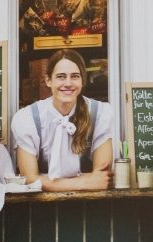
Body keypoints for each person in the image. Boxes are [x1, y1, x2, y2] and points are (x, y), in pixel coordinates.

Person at [12, 49, 113, 191]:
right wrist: (85, 182)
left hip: (89, 204)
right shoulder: (27, 118)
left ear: (83, 80)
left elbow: (102, 178)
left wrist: (45, 182)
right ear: (48, 80)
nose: (68, 83)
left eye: (75, 76)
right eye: (61, 76)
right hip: (42, 206)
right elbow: (29, 179)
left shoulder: (100, 113)